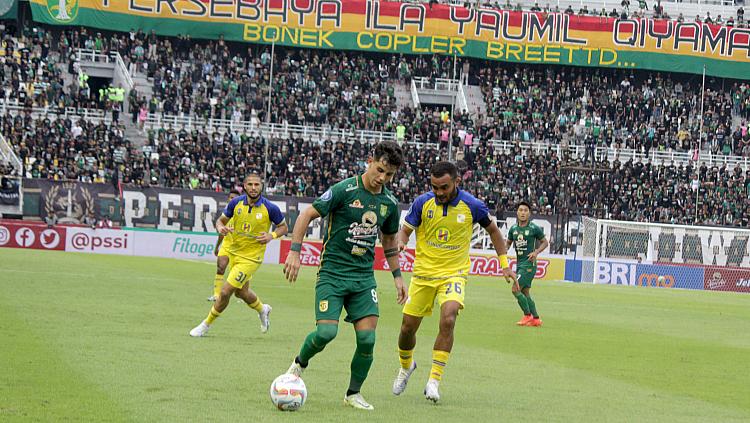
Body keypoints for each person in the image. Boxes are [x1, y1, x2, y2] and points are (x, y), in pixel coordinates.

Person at [283, 141, 407, 411]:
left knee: (367, 339)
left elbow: (388, 241)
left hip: (363, 278)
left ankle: (353, 393)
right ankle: (298, 365)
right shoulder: (344, 189)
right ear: (370, 161)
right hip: (333, 273)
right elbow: (306, 214)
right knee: (326, 332)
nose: (382, 179)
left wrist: (397, 276)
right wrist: (294, 252)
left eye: (389, 175)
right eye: (380, 170)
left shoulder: (389, 203)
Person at [391, 161, 517, 403]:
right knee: (407, 328)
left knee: (448, 317)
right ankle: (406, 366)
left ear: (456, 182)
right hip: (424, 275)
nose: (439, 193)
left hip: (454, 273)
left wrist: (504, 264)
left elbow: (493, 232)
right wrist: (401, 241)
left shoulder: (472, 205)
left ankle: (434, 380)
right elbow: (406, 230)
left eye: (444, 187)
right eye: (435, 187)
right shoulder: (422, 202)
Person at [189, 174, 287, 337]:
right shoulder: (236, 203)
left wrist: (272, 236)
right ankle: (263, 309)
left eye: (257, 184)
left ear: (261, 186)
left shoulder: (270, 208)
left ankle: (205, 325)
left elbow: (283, 227)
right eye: (250, 184)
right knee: (241, 292)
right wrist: (220, 228)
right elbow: (220, 221)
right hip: (233, 251)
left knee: (226, 291)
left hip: (251, 258)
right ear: (245, 186)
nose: (254, 188)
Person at [507, 201, 549, 327]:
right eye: (521, 210)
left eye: (525, 210)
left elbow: (545, 242)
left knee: (515, 289)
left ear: (529, 213)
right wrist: (503, 253)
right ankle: (536, 318)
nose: (523, 213)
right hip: (519, 264)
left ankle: (527, 315)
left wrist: (536, 252)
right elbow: (508, 243)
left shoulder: (533, 228)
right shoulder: (513, 229)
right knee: (525, 292)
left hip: (529, 264)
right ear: (517, 212)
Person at [207, 188, 240, 302]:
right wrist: (217, 247)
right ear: (228, 199)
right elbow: (221, 233)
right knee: (220, 268)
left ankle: (241, 295)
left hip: (239, 248)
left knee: (237, 273)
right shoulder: (225, 215)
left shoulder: (243, 214)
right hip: (226, 245)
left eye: (235, 198)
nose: (232, 200)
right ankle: (216, 295)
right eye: (231, 198)